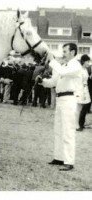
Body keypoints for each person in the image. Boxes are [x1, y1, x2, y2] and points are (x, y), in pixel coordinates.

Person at [37, 43, 82, 171]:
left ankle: (69, 161)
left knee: (67, 131)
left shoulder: (75, 65)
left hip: (69, 99)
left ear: (73, 52)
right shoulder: (64, 66)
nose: (63, 53)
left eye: (65, 51)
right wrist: (43, 82)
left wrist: (52, 60)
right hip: (60, 99)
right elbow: (53, 82)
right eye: (63, 51)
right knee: (58, 130)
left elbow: (62, 72)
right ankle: (59, 157)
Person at [75, 54, 91, 131]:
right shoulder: (80, 70)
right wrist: (81, 93)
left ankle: (81, 123)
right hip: (80, 90)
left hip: (85, 89)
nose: (89, 63)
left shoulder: (85, 70)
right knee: (78, 108)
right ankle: (76, 125)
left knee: (83, 108)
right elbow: (78, 83)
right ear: (84, 61)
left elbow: (87, 79)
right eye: (88, 61)